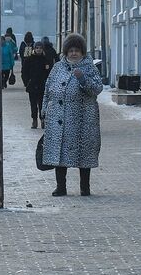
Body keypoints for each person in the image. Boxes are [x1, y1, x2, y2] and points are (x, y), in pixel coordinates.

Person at [40, 33, 104, 196]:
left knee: (84, 154)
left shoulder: (89, 67)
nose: (74, 53)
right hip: (58, 120)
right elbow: (47, 89)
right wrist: (44, 109)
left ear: (82, 52)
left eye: (77, 50)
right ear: (66, 52)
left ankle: (85, 187)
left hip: (83, 120)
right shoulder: (58, 67)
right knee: (59, 154)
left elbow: (97, 89)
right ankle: (61, 187)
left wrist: (83, 80)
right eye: (71, 50)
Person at [21, 38, 51, 129]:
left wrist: (47, 82)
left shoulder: (45, 59)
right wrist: (27, 82)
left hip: (42, 86)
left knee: (42, 104)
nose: (38, 50)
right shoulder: (29, 59)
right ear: (34, 49)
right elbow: (24, 72)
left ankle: (42, 119)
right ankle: (34, 120)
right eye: (37, 48)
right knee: (33, 104)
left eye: (40, 48)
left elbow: (49, 73)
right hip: (32, 85)